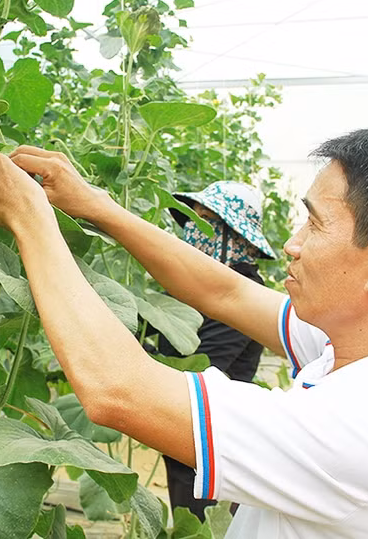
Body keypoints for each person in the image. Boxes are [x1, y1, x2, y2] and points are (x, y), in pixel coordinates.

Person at [0, 127, 368, 538]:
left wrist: (28, 218)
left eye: (314, 221)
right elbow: (225, 292)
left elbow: (116, 389)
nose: (291, 242)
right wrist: (98, 208)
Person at [146, 182, 274, 520]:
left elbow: (199, 368)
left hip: (219, 449)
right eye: (192, 220)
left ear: (234, 237)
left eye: (205, 220)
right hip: (194, 439)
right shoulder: (199, 294)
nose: (193, 230)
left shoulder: (247, 296)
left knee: (206, 525)